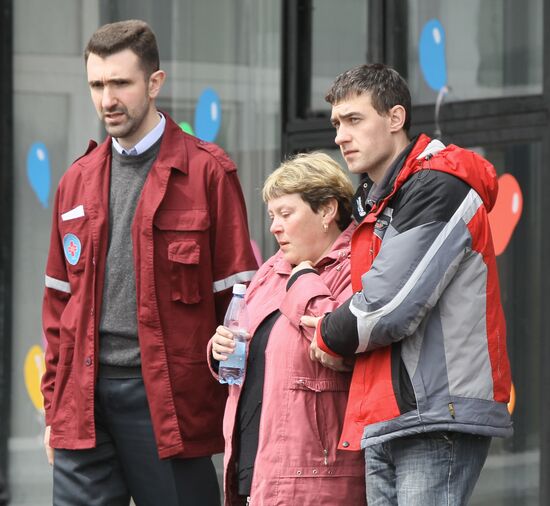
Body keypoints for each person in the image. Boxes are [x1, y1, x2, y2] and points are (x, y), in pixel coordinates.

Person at [41, 19, 258, 506]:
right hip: (84, 401)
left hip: (167, 401)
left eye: (121, 83)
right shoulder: (74, 183)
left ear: (155, 83)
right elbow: (58, 308)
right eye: (97, 85)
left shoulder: (207, 172)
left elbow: (241, 301)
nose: (107, 99)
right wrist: (55, 411)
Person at [301, 63, 513, 505]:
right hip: (391, 415)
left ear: (395, 119)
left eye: (354, 120)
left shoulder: (437, 185)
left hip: (436, 415)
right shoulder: (381, 198)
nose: (340, 135)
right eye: (336, 123)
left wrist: (326, 332)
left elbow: (384, 308)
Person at [209, 152, 366, 505]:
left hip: (315, 479)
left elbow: (337, 342)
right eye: (271, 216)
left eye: (286, 214)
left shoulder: (357, 265)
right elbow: (253, 343)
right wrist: (220, 350)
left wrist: (305, 280)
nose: (274, 227)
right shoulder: (271, 270)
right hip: (255, 469)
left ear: (326, 210)